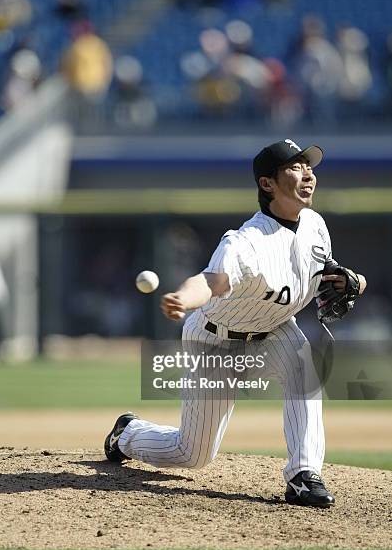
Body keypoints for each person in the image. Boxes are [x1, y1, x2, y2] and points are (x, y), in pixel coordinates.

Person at [104, 139, 367, 508]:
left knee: (305, 369)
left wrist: (355, 280)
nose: (308, 173)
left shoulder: (315, 226)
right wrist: (184, 298)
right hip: (215, 341)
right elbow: (212, 282)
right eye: (295, 167)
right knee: (193, 455)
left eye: (310, 166)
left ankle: (303, 476)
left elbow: (331, 270)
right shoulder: (246, 243)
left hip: (275, 330)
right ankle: (127, 433)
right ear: (267, 184)